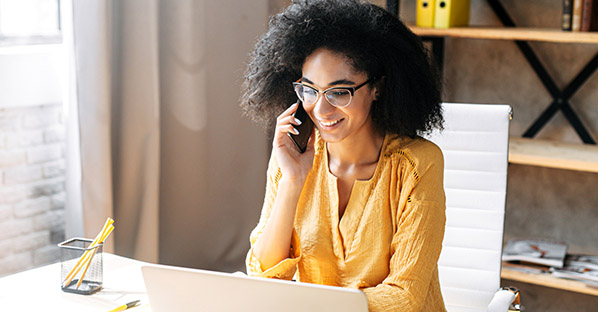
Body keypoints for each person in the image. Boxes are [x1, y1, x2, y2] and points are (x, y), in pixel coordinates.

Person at [240, 1, 446, 311]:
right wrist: (293, 182)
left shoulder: (417, 164)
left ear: (377, 88)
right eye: (309, 89)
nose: (320, 110)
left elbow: (404, 297)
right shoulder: (293, 155)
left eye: (338, 92)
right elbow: (263, 274)